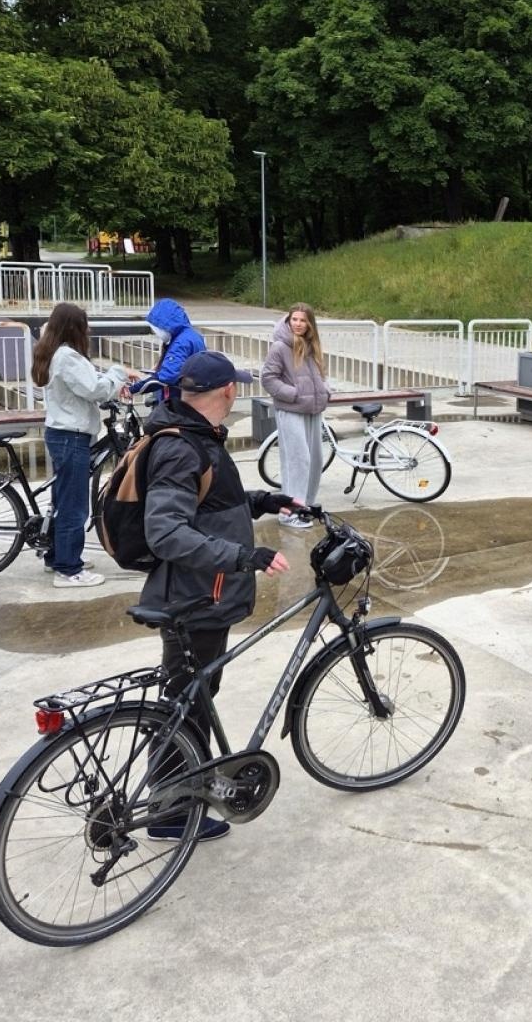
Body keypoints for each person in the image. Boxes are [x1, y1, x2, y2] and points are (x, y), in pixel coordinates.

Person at [139, 351, 296, 841]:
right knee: (187, 701)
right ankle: (169, 812)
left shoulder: (196, 436)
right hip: (194, 597)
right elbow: (165, 531)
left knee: (195, 696)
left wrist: (261, 502)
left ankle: (179, 795)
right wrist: (242, 558)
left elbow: (211, 507)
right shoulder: (183, 447)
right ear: (228, 391)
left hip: (204, 592)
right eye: (237, 388)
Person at [31, 303, 136, 588]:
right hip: (71, 437)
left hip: (62, 433)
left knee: (62, 501)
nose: (88, 329)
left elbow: (85, 385)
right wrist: (118, 373)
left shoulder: (55, 352)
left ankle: (57, 556)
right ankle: (69, 569)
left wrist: (110, 379)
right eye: (84, 324)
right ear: (73, 327)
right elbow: (95, 389)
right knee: (74, 506)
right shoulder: (67, 356)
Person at [261, 303, 330, 530]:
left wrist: (324, 390)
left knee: (315, 461)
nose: (298, 324)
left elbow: (319, 374)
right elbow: (268, 378)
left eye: (303, 320)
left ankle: (304, 506)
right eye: (294, 320)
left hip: (312, 409)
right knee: (297, 461)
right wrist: (293, 394)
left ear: (310, 323)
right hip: (291, 409)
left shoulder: (312, 345)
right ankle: (288, 511)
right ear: (289, 321)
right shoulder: (280, 347)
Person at [130, 298, 206, 403]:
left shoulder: (180, 343)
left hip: (179, 400)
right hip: (194, 395)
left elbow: (167, 376)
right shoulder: (192, 335)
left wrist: (132, 390)